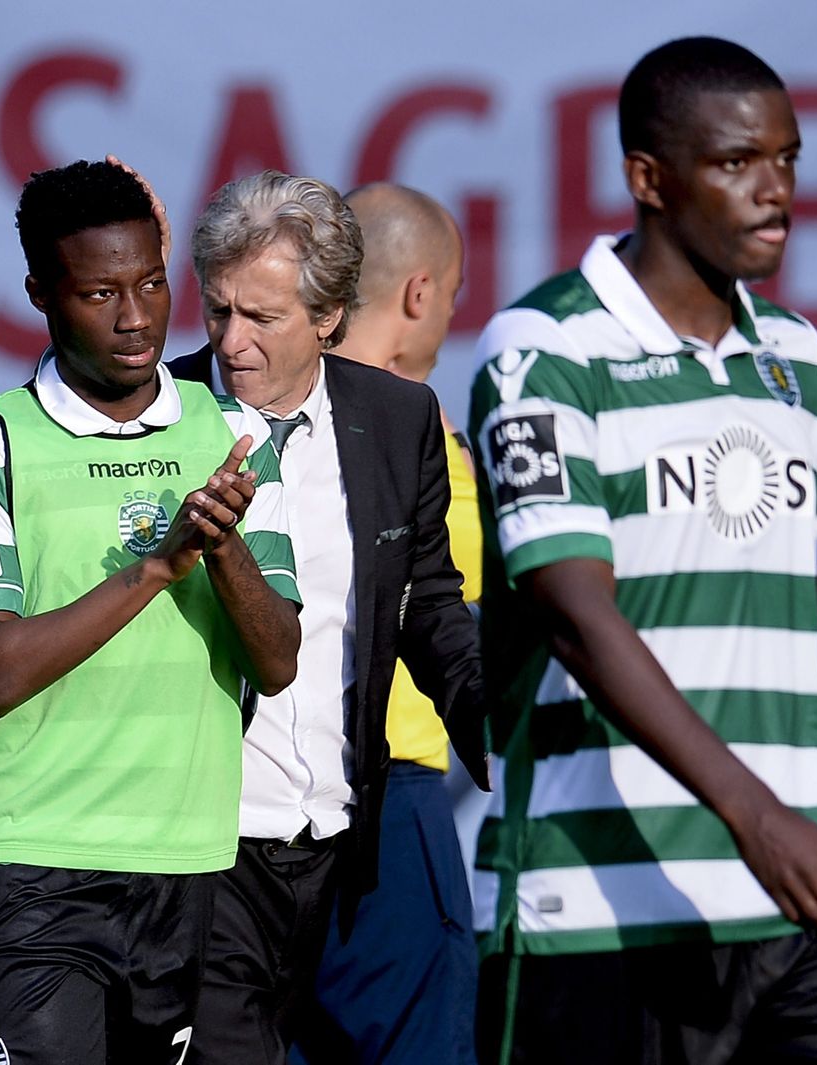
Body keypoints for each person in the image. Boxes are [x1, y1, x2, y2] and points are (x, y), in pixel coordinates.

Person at [469, 38, 817, 1064]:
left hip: (796, 906)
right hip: (598, 908)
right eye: (736, 162)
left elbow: (775, 625)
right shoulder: (544, 349)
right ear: (648, 178)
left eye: (787, 159)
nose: (774, 190)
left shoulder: (795, 358)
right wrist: (753, 815)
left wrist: (793, 823)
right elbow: (574, 617)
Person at [0, 159, 302, 1065]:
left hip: (184, 857)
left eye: (151, 284)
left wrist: (223, 546)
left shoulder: (235, 435)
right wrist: (161, 564)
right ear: (40, 295)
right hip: (31, 858)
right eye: (100, 293)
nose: (135, 317)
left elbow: (278, 660)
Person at [166, 170, 487, 1065]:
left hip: (354, 838)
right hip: (204, 847)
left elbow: (430, 601)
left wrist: (494, 718)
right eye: (219, 310)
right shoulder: (157, 411)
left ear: (330, 317)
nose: (232, 340)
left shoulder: (397, 417)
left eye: (261, 317)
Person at [290, 182, 481, 1065]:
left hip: (257, 801)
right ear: (418, 292)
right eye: (453, 295)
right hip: (392, 791)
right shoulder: (431, 441)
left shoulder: (261, 412)